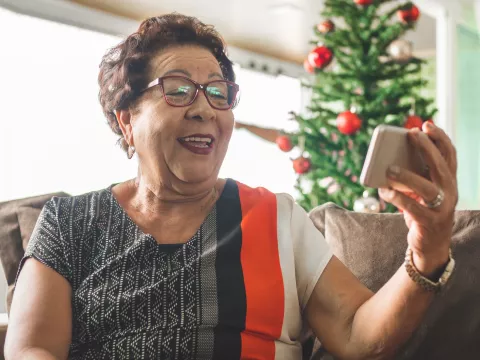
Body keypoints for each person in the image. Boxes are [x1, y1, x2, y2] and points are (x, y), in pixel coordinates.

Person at [5, 13, 458, 360]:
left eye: (218, 92)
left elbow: (361, 334)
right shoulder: (68, 224)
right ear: (126, 120)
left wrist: (427, 250)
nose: (205, 109)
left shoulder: (276, 217)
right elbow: (32, 350)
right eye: (179, 90)